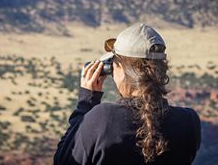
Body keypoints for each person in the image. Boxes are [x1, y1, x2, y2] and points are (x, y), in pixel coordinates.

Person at [53, 23, 201, 165]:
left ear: (120, 69)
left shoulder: (102, 119)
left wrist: (86, 102)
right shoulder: (189, 122)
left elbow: (63, 160)